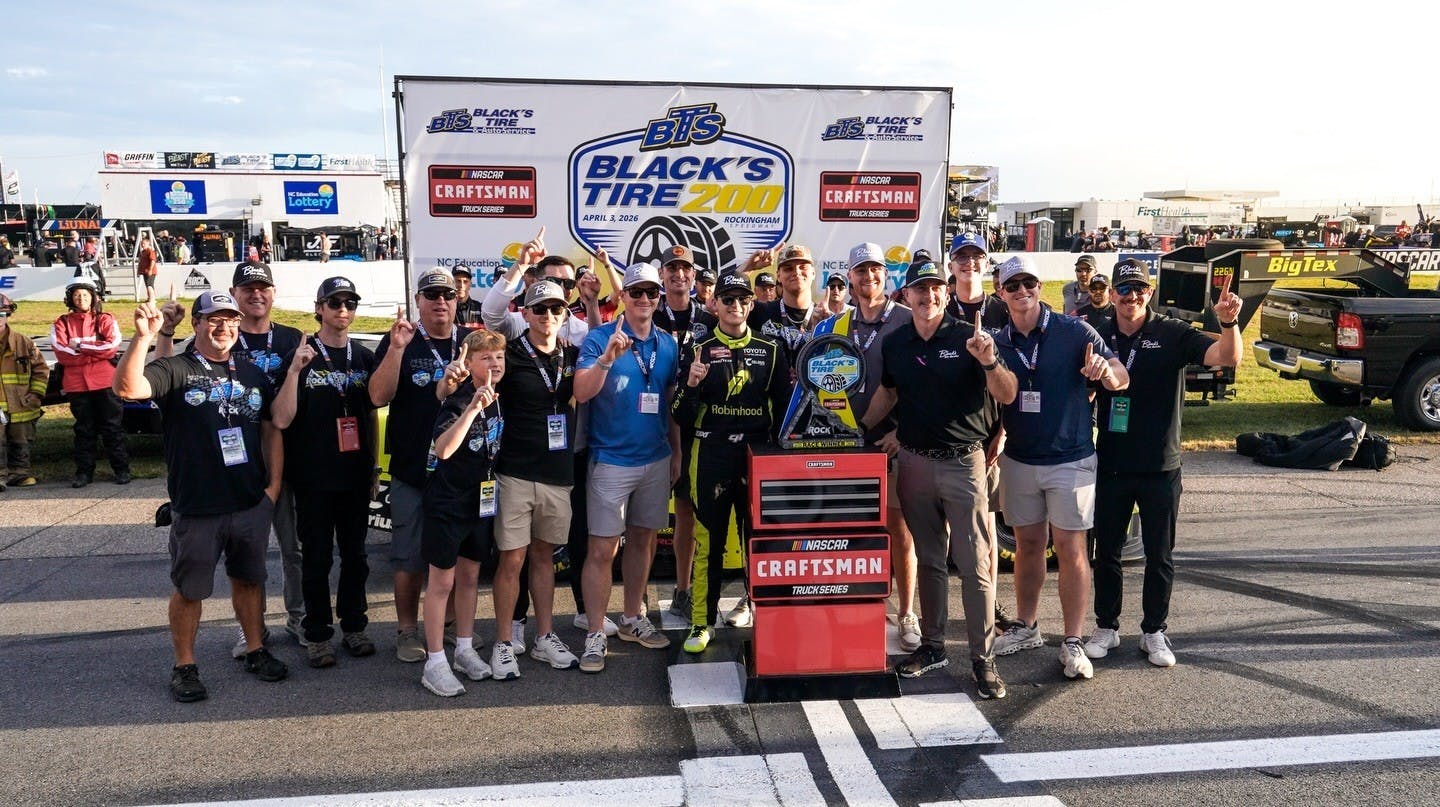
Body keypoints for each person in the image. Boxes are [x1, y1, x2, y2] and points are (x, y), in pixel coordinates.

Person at [113, 290, 288, 702]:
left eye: (230, 319)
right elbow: (128, 388)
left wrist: (273, 487)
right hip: (198, 506)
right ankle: (185, 665)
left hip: (249, 502)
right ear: (197, 324)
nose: (223, 326)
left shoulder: (250, 373)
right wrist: (143, 337)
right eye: (213, 319)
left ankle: (254, 648)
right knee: (191, 589)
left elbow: (270, 430)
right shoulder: (176, 368)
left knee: (249, 580)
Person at [862, 257, 1016, 698]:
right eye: (919, 289)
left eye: (935, 289)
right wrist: (855, 430)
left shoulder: (970, 337)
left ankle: (983, 660)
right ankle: (932, 646)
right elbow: (889, 392)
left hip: (963, 464)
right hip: (913, 462)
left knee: (976, 567)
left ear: (946, 293)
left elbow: (1006, 393)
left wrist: (988, 363)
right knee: (929, 559)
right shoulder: (896, 341)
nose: (927, 296)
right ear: (905, 296)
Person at [1084, 262, 1242, 668]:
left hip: (1161, 465)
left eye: (1138, 289)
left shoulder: (1172, 332)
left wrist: (1229, 323)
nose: (1131, 296)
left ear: (1149, 291)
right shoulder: (1097, 334)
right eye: (1124, 289)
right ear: (1112, 293)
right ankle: (1107, 626)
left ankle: (1154, 631)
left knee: (1160, 555)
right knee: (1107, 552)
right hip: (1113, 463)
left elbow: (1227, 357)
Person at [989, 255, 1129, 681]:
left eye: (1029, 283)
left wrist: (1106, 373)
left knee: (1071, 550)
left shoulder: (1074, 330)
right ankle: (1028, 626)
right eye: (1013, 286)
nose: (1022, 291)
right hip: (1020, 458)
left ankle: (1071, 638)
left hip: (1070, 457)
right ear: (1001, 293)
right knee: (1027, 546)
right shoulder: (997, 339)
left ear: (1041, 286)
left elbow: (1121, 375)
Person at [158, 261, 308, 656]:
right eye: (248, 288)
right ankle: (247, 634)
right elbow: (167, 378)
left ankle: (297, 618)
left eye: (264, 287)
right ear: (236, 294)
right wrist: (162, 331)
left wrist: (273, 488)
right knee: (236, 568)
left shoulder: (292, 338)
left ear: (273, 293)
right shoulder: (210, 346)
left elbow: (278, 420)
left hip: (281, 457)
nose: (257, 294)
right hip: (225, 472)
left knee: (289, 551)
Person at [467, 280, 582, 676]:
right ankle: (502, 642)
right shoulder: (511, 354)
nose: (547, 315)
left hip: (557, 472)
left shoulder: (572, 353)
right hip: (515, 471)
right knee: (512, 559)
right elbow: (488, 334)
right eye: (539, 309)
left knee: (544, 558)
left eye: (555, 309)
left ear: (564, 314)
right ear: (526, 314)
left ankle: (544, 637)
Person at [672, 271, 790, 653]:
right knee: (708, 541)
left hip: (757, 455)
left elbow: (786, 410)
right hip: (711, 452)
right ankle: (701, 623)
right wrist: (690, 385)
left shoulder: (771, 350)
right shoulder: (697, 348)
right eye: (727, 299)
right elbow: (679, 415)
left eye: (741, 299)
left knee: (759, 538)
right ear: (716, 304)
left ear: (750, 304)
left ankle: (767, 615)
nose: (735, 305)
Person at [573, 259, 680, 672]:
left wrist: (676, 452)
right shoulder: (600, 338)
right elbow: (581, 394)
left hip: (655, 459)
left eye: (651, 293)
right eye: (636, 292)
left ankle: (633, 617)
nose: (644, 299)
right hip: (610, 461)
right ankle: (596, 632)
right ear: (622, 297)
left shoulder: (667, 344)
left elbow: (669, 403)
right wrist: (605, 361)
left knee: (644, 541)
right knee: (602, 549)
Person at [272, 277, 380, 668]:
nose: (342, 309)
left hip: (353, 474)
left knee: (356, 556)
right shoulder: (301, 354)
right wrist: (295, 373)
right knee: (316, 558)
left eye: (349, 302)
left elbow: (369, 415)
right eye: (334, 302)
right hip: (313, 476)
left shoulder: (364, 357)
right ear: (319, 308)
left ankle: (354, 625)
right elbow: (281, 419)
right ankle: (317, 634)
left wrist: (373, 464)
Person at [370, 269, 464, 662]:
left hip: (461, 471)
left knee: (456, 555)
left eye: (447, 294)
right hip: (413, 469)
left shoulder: (470, 341)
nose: (440, 301)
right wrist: (394, 349)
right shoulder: (401, 341)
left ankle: (454, 627)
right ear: (418, 300)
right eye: (431, 295)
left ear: (457, 299)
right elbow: (377, 396)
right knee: (408, 556)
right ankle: (407, 629)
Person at [831, 243, 919, 651]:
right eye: (861, 271)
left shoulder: (906, 319)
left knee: (899, 530)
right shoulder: (840, 323)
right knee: (855, 530)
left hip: (895, 442)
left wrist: (903, 433)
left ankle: (906, 614)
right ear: (850, 276)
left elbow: (926, 382)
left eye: (876, 270)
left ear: (887, 275)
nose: (869, 278)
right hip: (851, 443)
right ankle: (861, 606)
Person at [417, 329, 507, 697]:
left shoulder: (500, 398)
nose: (494, 364)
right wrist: (471, 409)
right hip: (448, 502)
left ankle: (464, 648)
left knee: (471, 578)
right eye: (485, 358)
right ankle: (435, 660)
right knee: (442, 583)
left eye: (498, 358)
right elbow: (443, 449)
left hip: (481, 501)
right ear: (468, 364)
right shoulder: (459, 399)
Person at [652, 244, 714, 623]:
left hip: (695, 424)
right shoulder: (647, 312)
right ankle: (630, 607)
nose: (679, 275)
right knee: (640, 520)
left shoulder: (708, 317)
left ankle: (684, 589)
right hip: (649, 423)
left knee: (688, 512)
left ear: (693, 276)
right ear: (663, 275)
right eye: (672, 269)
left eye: (685, 270)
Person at [51, 277, 131, 488]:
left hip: (105, 382)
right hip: (77, 385)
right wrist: (94, 349)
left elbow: (112, 346)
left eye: (85, 294)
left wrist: (80, 345)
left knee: (112, 428)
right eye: (77, 295)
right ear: (70, 298)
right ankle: (84, 473)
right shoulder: (61, 322)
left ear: (94, 297)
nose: (81, 298)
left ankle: (122, 470)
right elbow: (62, 353)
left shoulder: (105, 319)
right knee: (84, 430)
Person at [0, 293, 49, 491]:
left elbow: (41, 370)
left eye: (1, 314)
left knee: (21, 439)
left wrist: (36, 394)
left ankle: (20, 474)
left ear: (8, 315)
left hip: (21, 403)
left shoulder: (23, 342)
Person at [945, 233, 1008, 329]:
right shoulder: (941, 309)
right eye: (962, 257)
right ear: (951, 267)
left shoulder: (1004, 310)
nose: (970, 262)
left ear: (986, 265)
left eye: (977, 256)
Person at [452, 265, 485, 329]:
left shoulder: (481, 308)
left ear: (470, 284)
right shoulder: (445, 309)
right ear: (452, 283)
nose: (461, 285)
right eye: (458, 281)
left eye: (465, 281)